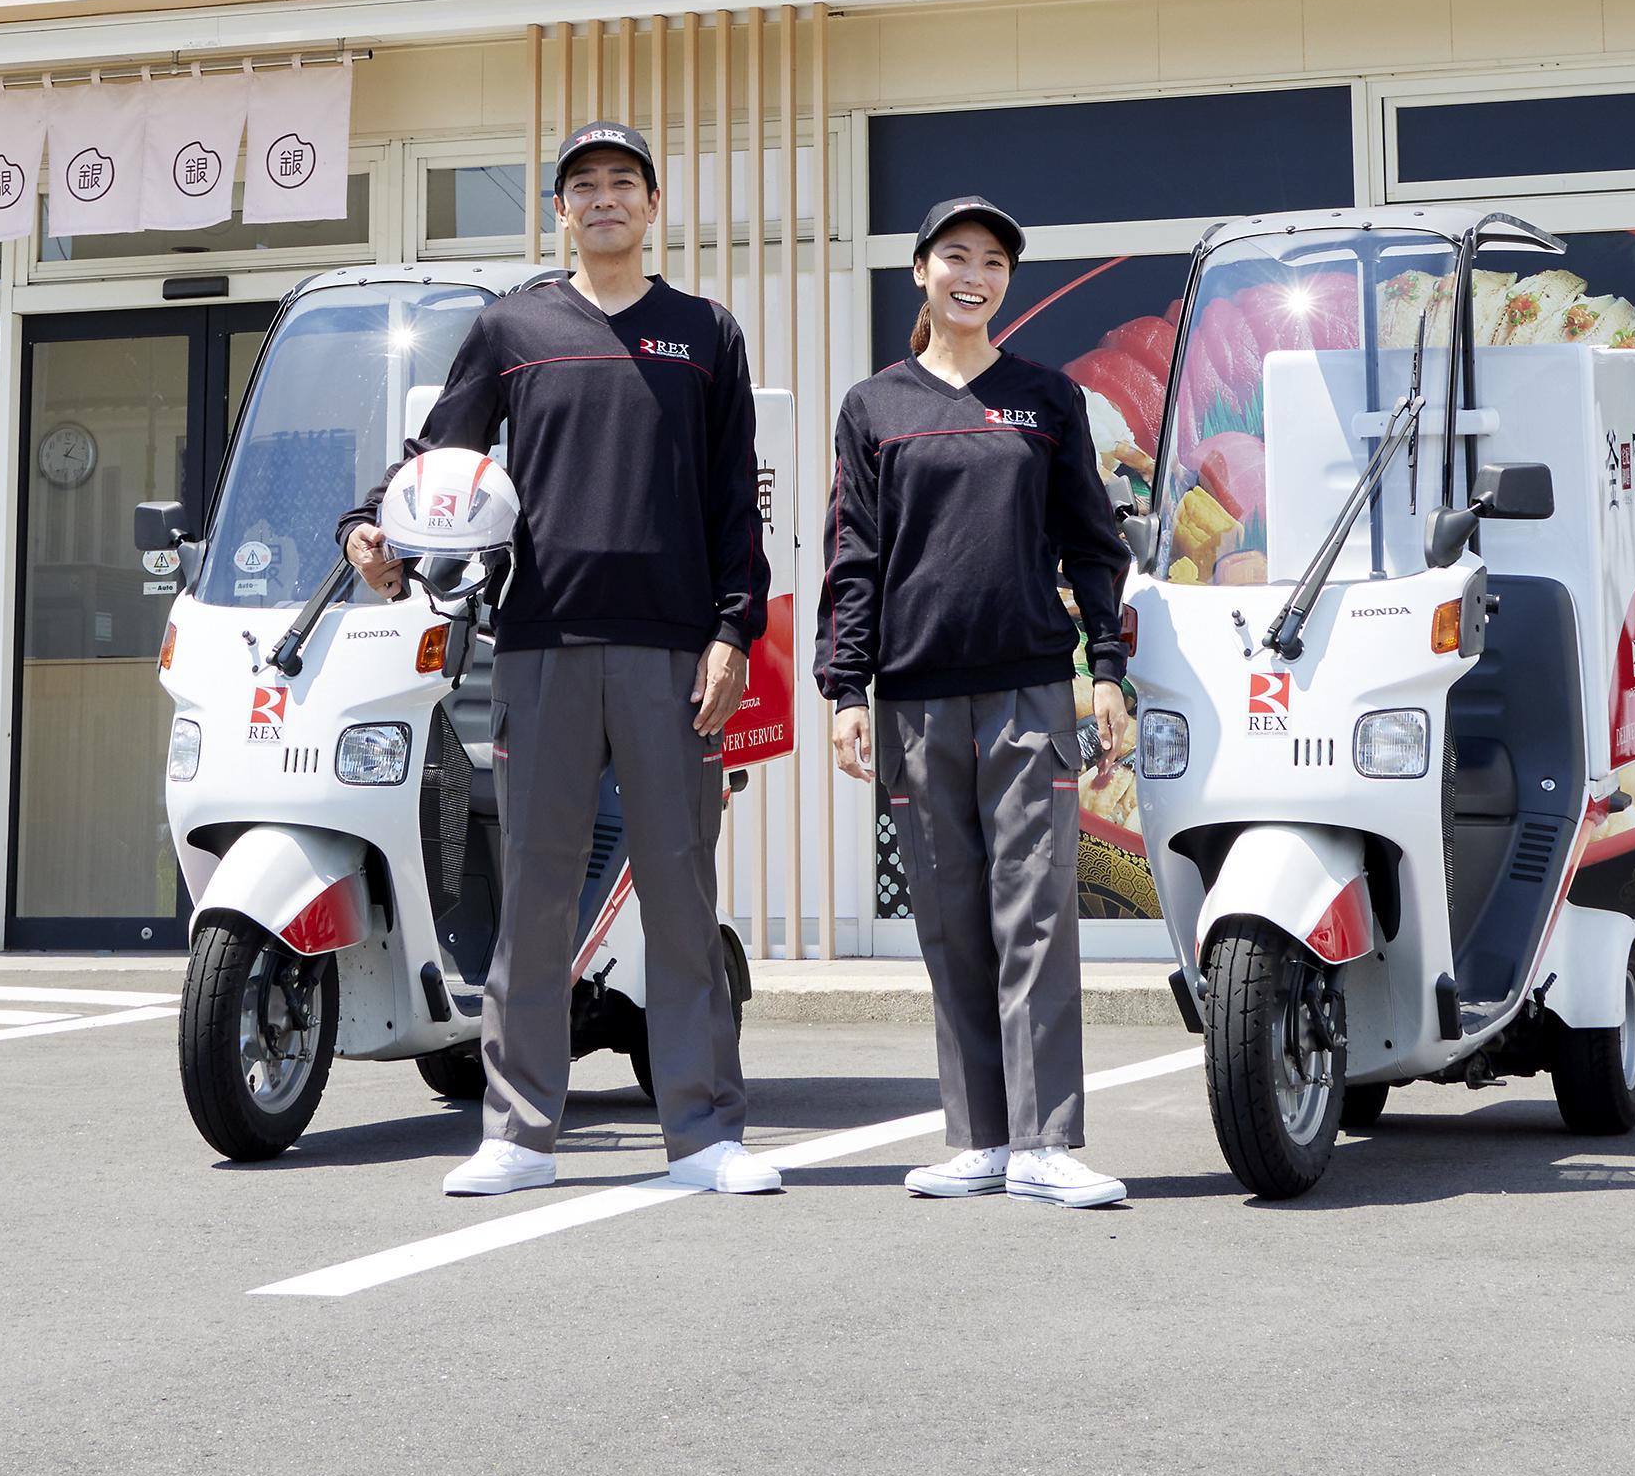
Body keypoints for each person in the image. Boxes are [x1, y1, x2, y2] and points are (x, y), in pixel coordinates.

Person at [407, 119, 778, 1199]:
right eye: (583, 184)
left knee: (678, 892)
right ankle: (518, 1131)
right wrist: (370, 523)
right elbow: (440, 457)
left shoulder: (703, 330)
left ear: (653, 206)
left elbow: (731, 504)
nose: (603, 198)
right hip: (544, 645)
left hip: (675, 653)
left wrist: (731, 632)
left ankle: (704, 1132)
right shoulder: (511, 326)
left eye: (623, 182)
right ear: (558, 210)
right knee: (532, 895)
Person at [820, 193, 1137, 1211]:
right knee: (951, 919)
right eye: (955, 253)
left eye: (993, 259)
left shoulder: (1045, 398)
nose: (974, 271)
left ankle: (1045, 1139)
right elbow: (853, 556)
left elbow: (1093, 545)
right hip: (914, 698)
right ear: (920, 271)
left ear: (1006, 282)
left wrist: (1109, 668)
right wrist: (844, 687)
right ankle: (975, 1137)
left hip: (1027, 694)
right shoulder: (875, 406)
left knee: (1035, 910)